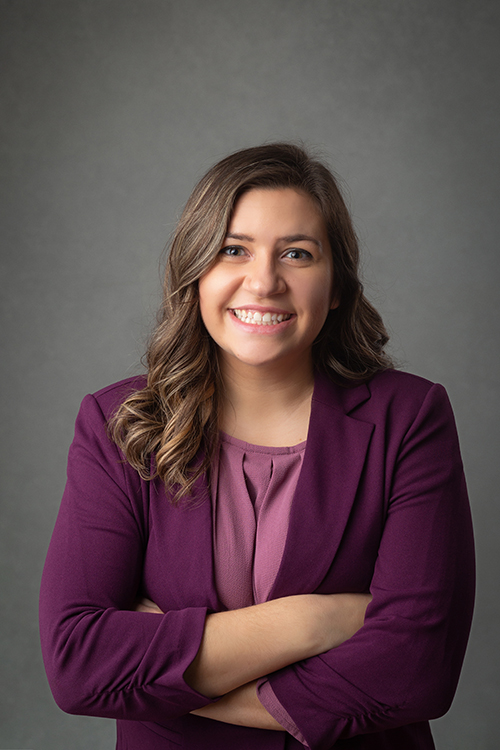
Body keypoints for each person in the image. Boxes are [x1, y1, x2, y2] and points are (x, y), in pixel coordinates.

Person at [39, 143, 475, 750]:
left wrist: (163, 678)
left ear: (340, 285)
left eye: (297, 253)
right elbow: (78, 665)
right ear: (195, 273)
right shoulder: (117, 422)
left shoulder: (411, 417)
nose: (264, 281)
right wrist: (317, 621)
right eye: (232, 250)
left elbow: (416, 672)